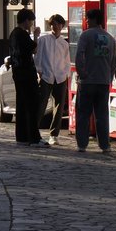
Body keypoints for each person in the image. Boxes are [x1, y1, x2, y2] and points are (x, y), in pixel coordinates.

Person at [75, 8, 116, 153]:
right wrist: (109, 78)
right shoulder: (110, 38)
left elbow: (79, 55)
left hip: (87, 81)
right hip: (104, 81)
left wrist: (82, 72)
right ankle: (105, 145)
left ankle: (82, 144)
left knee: (83, 114)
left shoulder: (86, 36)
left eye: (88, 18)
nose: (86, 21)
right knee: (102, 115)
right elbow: (113, 63)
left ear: (93, 19)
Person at [35, 14, 71, 146]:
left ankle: (54, 134)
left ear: (62, 25)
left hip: (60, 76)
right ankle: (35, 131)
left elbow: (67, 61)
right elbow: (38, 56)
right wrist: (39, 70)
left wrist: (66, 73)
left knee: (59, 106)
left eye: (57, 24)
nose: (54, 26)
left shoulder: (64, 43)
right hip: (46, 75)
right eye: (52, 24)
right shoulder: (43, 40)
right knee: (41, 104)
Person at [9, 8, 42, 146]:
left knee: (21, 105)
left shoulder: (13, 34)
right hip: (27, 73)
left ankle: (21, 137)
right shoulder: (23, 34)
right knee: (32, 105)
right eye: (31, 21)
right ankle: (34, 137)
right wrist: (35, 35)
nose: (31, 24)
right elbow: (34, 49)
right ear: (26, 20)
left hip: (17, 73)